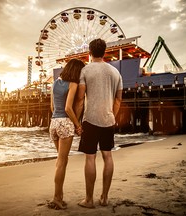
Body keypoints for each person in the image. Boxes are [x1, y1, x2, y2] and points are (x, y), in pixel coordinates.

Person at [74, 38, 123, 208]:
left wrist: (77, 123)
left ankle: (89, 200)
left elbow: (80, 99)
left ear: (90, 52)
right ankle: (104, 198)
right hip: (108, 120)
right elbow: (118, 100)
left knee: (90, 158)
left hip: (90, 119)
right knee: (107, 156)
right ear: (105, 52)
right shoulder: (115, 73)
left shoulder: (85, 71)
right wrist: (112, 116)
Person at [49, 58, 85, 209]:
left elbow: (52, 107)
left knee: (60, 162)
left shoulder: (55, 83)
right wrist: (77, 125)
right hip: (65, 123)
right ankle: (57, 198)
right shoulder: (73, 84)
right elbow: (68, 108)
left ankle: (59, 196)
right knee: (62, 163)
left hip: (53, 123)